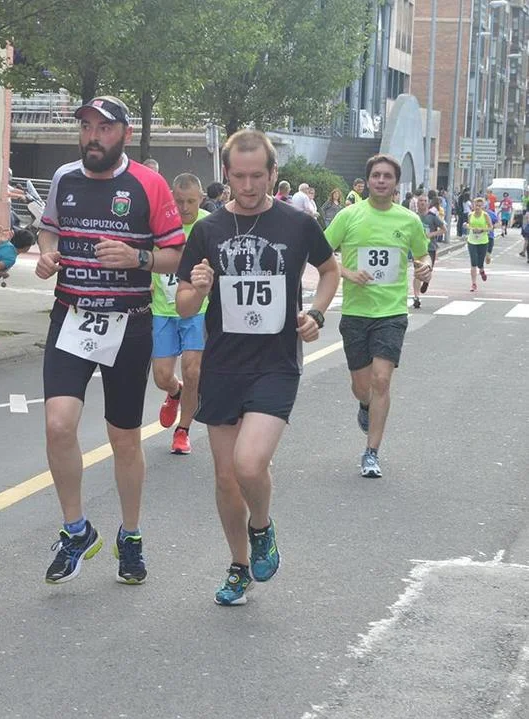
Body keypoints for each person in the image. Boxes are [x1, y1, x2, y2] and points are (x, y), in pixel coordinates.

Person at [175, 129, 340, 606]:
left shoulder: (297, 223)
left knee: (249, 464)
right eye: (239, 176)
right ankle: (238, 566)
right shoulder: (208, 230)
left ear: (272, 174)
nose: (248, 186)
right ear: (226, 174)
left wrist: (316, 313)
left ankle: (261, 527)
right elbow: (184, 305)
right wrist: (198, 288)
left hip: (276, 363)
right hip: (223, 364)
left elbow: (329, 269)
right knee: (226, 477)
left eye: (257, 176)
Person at [35, 95, 185, 585]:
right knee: (58, 425)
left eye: (103, 128)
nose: (92, 137)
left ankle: (131, 534)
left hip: (129, 322)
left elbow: (176, 254)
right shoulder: (64, 178)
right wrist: (47, 255)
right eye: (86, 127)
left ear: (124, 133)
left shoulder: (149, 184)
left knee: (124, 438)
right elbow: (49, 231)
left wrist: (137, 258)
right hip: (72, 316)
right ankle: (76, 530)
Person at [324, 154, 432, 478]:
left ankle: (371, 452)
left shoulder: (409, 220)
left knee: (381, 380)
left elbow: (423, 254)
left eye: (387, 176)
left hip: (392, 312)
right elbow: (321, 254)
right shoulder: (348, 216)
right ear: (367, 180)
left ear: (396, 183)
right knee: (362, 386)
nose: (381, 180)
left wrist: (425, 268)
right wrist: (347, 272)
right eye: (376, 175)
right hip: (356, 312)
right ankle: (365, 404)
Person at [152, 173, 208, 456]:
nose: (184, 208)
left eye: (191, 201)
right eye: (179, 201)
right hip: (163, 309)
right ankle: (175, 392)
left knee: (193, 370)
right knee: (162, 376)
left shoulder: (209, 226)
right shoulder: (158, 225)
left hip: (198, 309)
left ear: (201, 199)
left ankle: (183, 430)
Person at [412, 199, 444, 308]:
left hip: (430, 248)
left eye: (425, 201)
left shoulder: (432, 217)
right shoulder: (414, 217)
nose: (422, 202)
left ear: (428, 203)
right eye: (420, 200)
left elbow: (443, 229)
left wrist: (432, 234)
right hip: (417, 248)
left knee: (427, 270)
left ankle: (426, 281)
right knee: (417, 272)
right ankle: (416, 297)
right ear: (417, 203)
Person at [465, 197, 492, 292]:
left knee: (480, 263)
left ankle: (481, 270)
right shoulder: (470, 215)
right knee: (473, 262)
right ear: (473, 206)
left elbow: (490, 227)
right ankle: (474, 283)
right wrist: (467, 226)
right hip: (472, 241)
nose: (477, 207)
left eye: (480, 206)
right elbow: (469, 225)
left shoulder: (485, 215)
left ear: (483, 206)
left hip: (483, 241)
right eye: (476, 205)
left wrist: (482, 229)